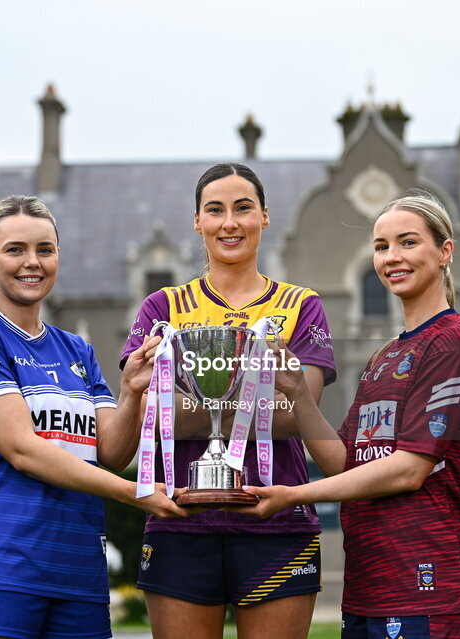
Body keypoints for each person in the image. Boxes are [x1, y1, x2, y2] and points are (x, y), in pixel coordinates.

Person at [241, 192, 460, 639]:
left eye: (408, 242)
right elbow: (345, 461)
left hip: (431, 591)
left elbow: (409, 469)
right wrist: (298, 393)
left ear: (445, 251)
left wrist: (294, 494)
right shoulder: (385, 355)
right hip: (368, 590)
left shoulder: (451, 342)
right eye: (381, 246)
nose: (392, 257)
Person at [0, 195, 185, 639]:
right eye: (15, 250)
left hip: (78, 572)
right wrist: (135, 493)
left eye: (44, 250)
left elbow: (109, 451)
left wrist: (131, 390)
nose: (31, 262)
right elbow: (22, 450)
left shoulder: (77, 349)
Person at [119, 163, 337, 639]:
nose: (229, 222)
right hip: (180, 518)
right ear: (197, 221)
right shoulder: (162, 307)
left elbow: (298, 414)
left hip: (278, 522)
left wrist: (198, 404)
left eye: (243, 208)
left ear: (265, 216)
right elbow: (155, 417)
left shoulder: (302, 305)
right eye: (214, 210)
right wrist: (259, 390)